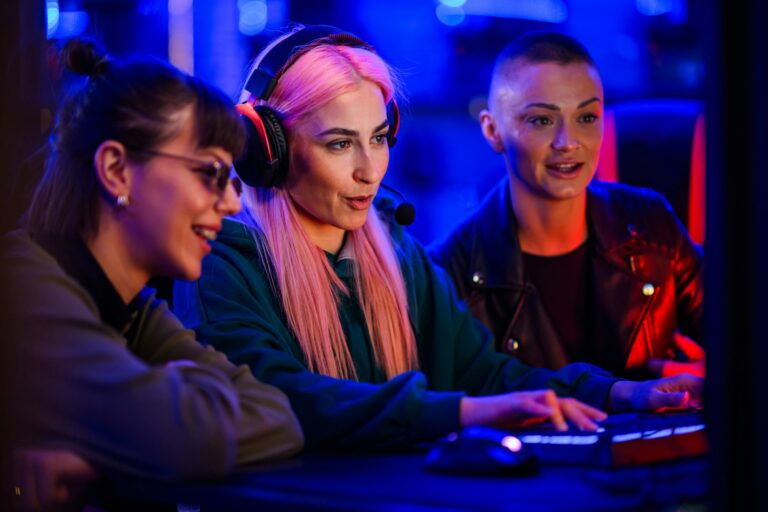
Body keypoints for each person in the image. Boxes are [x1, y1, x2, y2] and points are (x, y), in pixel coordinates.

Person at [173, 25, 703, 451]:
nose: (369, 171)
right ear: (270, 151)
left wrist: (616, 393)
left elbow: (485, 373)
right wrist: (457, 412)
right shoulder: (220, 260)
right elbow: (279, 396)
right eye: (339, 144)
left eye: (378, 139)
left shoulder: (394, 250)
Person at [0, 39, 303, 510]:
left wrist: (109, 454)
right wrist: (156, 427)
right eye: (211, 173)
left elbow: (278, 415)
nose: (231, 203)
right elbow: (188, 437)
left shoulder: (130, 309)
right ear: (117, 170)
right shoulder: (22, 296)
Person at [429, 31, 704, 380]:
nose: (568, 143)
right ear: (492, 131)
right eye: (542, 120)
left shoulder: (651, 226)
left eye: (586, 118)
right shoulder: (447, 274)